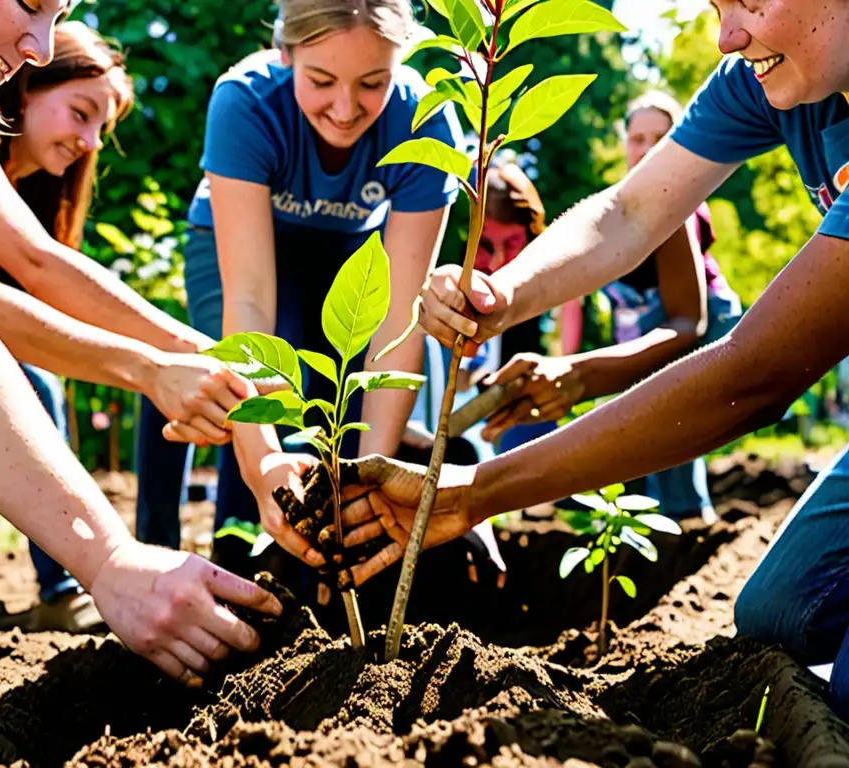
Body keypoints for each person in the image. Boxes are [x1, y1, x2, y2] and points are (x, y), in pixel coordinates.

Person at [332, 0, 849, 716]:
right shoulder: (770, 79)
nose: (728, 35)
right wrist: (499, 294)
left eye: (752, 0)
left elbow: (754, 374)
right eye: (716, 6)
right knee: (777, 616)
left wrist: (479, 489)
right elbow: (627, 214)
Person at [0, 0, 280, 710]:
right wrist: (109, 556)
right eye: (31, 5)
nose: (39, 45)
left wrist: (193, 358)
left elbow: (17, 271)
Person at [0, 21, 241, 631]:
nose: (90, 140)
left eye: (104, 127)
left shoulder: (35, 188)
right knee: (36, 387)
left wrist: (171, 354)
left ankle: (140, 551)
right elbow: (20, 275)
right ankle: (66, 583)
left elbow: (50, 279)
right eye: (81, 113)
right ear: (29, 84)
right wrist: (175, 349)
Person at [139, 0, 463, 567]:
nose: (345, 108)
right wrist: (264, 464)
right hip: (234, 244)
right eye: (320, 80)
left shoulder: (426, 124)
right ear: (285, 54)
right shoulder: (245, 103)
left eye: (372, 83)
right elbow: (249, 303)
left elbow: (398, 325)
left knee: (350, 405)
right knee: (265, 397)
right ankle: (236, 566)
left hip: (348, 250)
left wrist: (369, 478)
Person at [478, 91, 743, 520]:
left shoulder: (680, 206)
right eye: (638, 138)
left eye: (662, 137)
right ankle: (648, 523)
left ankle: (690, 523)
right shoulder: (622, 208)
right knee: (637, 432)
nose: (649, 149)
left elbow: (686, 322)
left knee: (668, 428)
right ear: (624, 144)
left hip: (703, 325)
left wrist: (578, 371)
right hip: (648, 329)